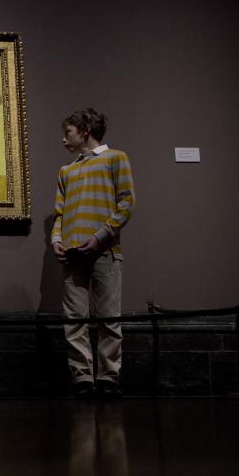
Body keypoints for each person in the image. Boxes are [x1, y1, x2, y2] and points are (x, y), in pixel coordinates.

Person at [51, 108, 135, 398]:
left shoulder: (116, 158)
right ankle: (82, 377)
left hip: (105, 252)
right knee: (74, 318)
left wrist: (100, 237)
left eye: (69, 132)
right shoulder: (67, 171)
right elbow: (60, 214)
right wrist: (56, 241)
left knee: (109, 317)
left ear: (85, 130)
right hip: (71, 255)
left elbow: (126, 203)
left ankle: (109, 377)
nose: (64, 139)